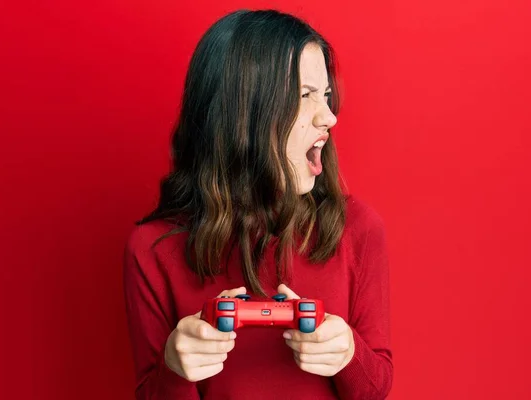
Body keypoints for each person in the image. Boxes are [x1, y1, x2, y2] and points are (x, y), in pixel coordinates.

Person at [123, 9, 393, 400]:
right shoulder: (151, 249)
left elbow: (376, 389)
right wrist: (175, 369)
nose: (330, 117)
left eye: (327, 95)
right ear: (242, 114)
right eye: (304, 96)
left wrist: (349, 354)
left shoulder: (359, 228)